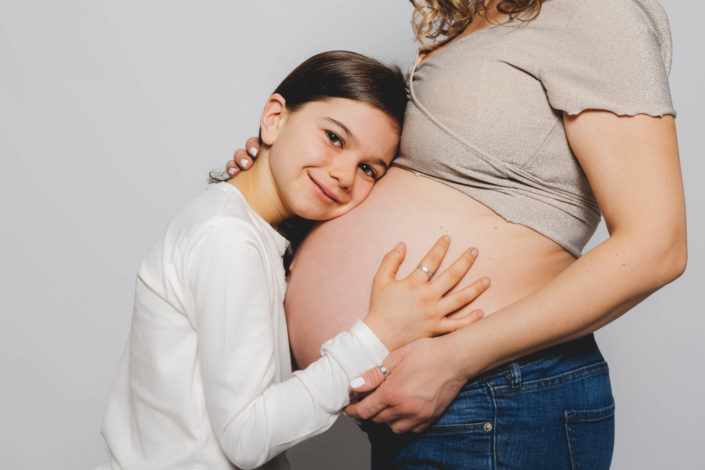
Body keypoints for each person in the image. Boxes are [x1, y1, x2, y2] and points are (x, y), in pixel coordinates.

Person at [226, 0, 687, 468]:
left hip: (495, 392)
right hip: (435, 400)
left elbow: (657, 246)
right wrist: (275, 181)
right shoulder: (476, 23)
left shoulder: (594, 13)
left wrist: (454, 360)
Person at [97, 51, 491, 470]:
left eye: (369, 169)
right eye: (334, 137)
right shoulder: (228, 238)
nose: (343, 173)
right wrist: (379, 333)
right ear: (274, 118)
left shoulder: (249, 231)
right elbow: (246, 438)